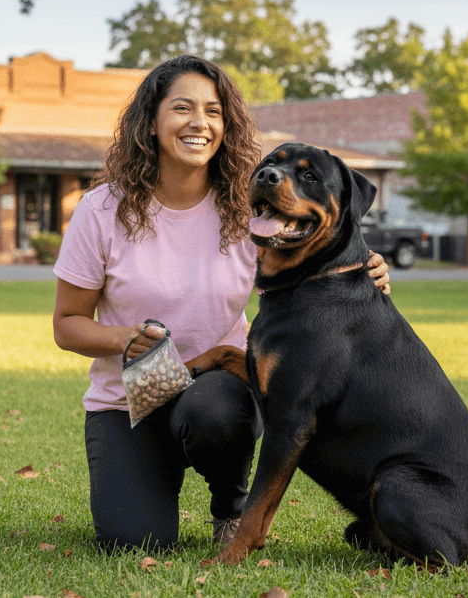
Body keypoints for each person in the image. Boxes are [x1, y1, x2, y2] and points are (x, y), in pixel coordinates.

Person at [51, 55, 390, 552]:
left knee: (217, 412)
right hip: (130, 402)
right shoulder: (101, 210)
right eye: (182, 108)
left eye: (213, 111)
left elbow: (316, 261)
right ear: (151, 121)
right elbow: (67, 324)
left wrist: (366, 271)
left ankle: (230, 509)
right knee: (132, 542)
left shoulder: (250, 208)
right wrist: (124, 338)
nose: (199, 123)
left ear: (225, 126)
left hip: (217, 390)